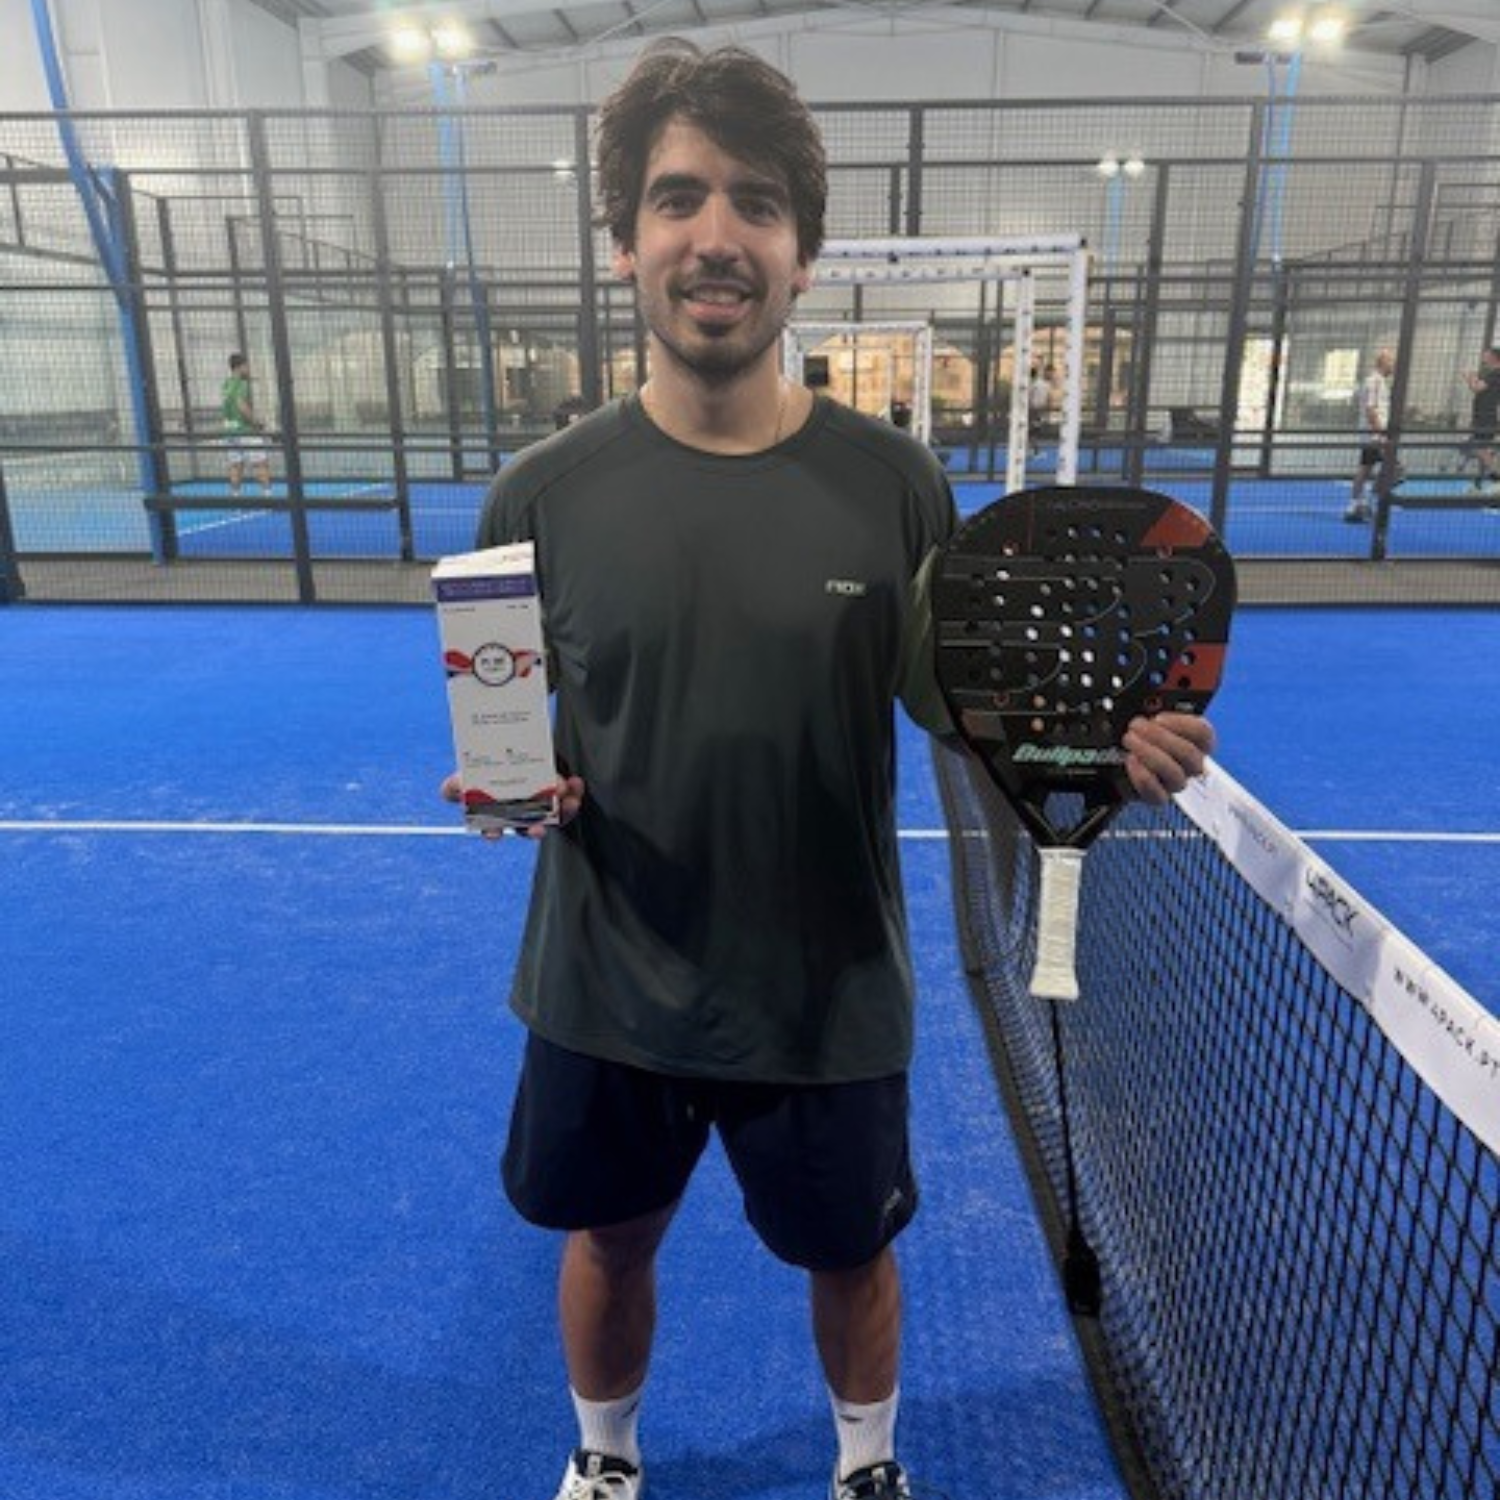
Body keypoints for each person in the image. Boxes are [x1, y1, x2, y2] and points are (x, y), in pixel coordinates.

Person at [439, 40, 1216, 1500]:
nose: (715, 234)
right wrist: (517, 789)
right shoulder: (533, 496)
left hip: (831, 992)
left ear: (802, 254)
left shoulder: (897, 483)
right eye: (677, 198)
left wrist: (1099, 741)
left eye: (756, 202)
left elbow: (963, 709)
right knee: (608, 1236)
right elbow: (508, 728)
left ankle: (867, 1470)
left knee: (852, 1254)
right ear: (624, 244)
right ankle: (605, 1460)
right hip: (606, 984)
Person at [1346, 347, 1395, 523]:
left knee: (1366, 467)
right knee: (1394, 469)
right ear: (1383, 362)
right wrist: (1381, 433)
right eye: (1391, 362)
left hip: (1374, 434)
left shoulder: (1379, 381)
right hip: (1375, 435)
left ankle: (1357, 505)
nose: (1393, 366)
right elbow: (1370, 410)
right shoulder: (1374, 382)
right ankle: (1362, 503)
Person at [220, 353, 272, 496]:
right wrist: (256, 422)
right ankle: (267, 495)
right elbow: (241, 405)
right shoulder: (242, 384)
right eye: (246, 365)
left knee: (235, 465)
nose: (248, 368)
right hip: (245, 430)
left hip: (229, 431)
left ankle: (235, 495)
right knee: (261, 463)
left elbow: (226, 407)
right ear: (240, 367)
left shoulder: (226, 384)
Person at [1459, 346, 1500, 491]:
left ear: (1494, 357)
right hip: (1483, 417)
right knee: (1482, 449)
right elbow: (1478, 387)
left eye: (1486, 354)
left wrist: (1469, 377)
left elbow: (1477, 388)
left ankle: (1496, 474)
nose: (1484, 356)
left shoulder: (1495, 373)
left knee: (1479, 448)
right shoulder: (1491, 373)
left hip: (1486, 418)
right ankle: (1481, 480)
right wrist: (1473, 378)